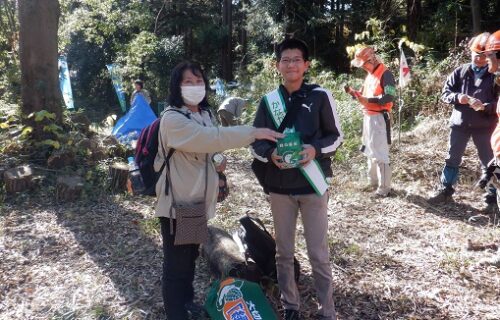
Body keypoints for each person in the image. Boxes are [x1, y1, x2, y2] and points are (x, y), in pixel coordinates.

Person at [153, 61, 283, 320]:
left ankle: (187, 304)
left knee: (189, 259)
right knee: (176, 266)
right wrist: (253, 132)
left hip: (196, 203)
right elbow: (211, 138)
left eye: (198, 81)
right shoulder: (172, 119)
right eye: (187, 82)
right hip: (178, 205)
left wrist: (217, 164)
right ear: (176, 87)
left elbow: (210, 149)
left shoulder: (203, 114)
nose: (194, 86)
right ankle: (175, 313)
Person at [252, 38, 343, 320]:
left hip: (312, 186)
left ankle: (327, 310)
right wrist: (270, 155)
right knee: (283, 252)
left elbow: (336, 137)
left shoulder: (319, 96)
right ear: (277, 65)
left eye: (296, 60)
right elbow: (256, 140)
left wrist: (315, 149)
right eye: (285, 60)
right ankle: (291, 305)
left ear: (306, 65)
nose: (290, 64)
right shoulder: (269, 102)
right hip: (279, 189)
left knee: (318, 253)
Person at [429, 32, 499, 205]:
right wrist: (458, 97)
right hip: (460, 123)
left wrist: (485, 106)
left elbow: (497, 102)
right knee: (452, 158)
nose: (480, 59)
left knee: (489, 161)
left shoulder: (494, 74)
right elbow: (445, 93)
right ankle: (446, 189)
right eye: (476, 55)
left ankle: (492, 196)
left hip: (485, 126)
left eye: (484, 56)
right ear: (471, 53)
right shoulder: (460, 72)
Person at [348, 46, 396, 197]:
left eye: (363, 64)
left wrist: (368, 100)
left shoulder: (386, 74)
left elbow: (389, 97)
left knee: (380, 152)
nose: (362, 67)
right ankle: (373, 182)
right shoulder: (370, 76)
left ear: (371, 59)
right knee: (369, 150)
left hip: (379, 117)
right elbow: (364, 94)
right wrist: (355, 94)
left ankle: (384, 188)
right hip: (368, 116)